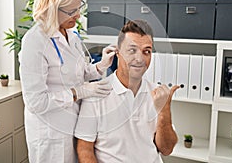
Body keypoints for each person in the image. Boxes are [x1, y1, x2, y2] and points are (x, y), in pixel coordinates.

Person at [18, 0, 116, 163]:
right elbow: (36, 102)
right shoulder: (34, 41)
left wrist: (101, 65)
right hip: (50, 132)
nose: (78, 16)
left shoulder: (71, 33)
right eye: (71, 11)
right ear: (53, 8)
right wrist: (78, 92)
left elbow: (79, 73)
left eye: (79, 7)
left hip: (75, 124)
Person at [75, 20, 179, 163]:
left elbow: (166, 149)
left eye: (146, 51)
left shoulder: (157, 93)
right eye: (132, 50)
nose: (140, 58)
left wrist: (164, 111)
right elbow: (84, 148)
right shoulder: (96, 93)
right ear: (117, 52)